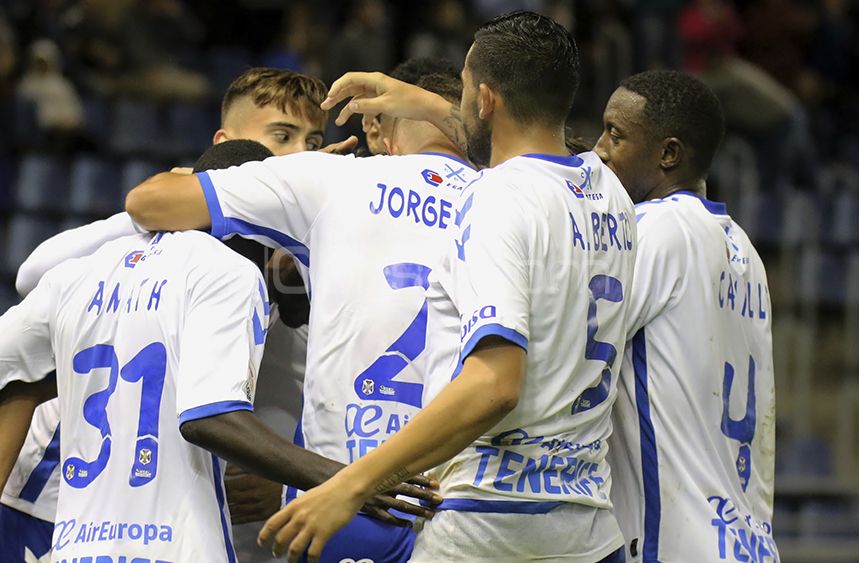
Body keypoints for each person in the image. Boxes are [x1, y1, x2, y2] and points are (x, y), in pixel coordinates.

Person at [261, 10, 639, 563]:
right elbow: (524, 138)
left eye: (463, 93)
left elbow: (494, 383)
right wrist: (419, 101)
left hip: (493, 520)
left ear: (484, 100)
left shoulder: (495, 199)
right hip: (588, 523)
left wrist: (349, 485)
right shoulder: (609, 192)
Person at [0, 140, 433, 563]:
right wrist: (351, 482)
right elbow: (207, 418)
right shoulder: (232, 274)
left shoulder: (78, 275)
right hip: (174, 547)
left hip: (74, 546)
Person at [123, 73, 476, 562]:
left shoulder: (329, 179)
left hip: (344, 493)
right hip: (469, 499)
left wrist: (270, 182)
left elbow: (146, 203)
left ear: (378, 127)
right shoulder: (508, 194)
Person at [592, 70, 778, 562]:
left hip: (675, 542)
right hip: (746, 542)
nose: (599, 150)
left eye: (615, 133)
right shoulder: (743, 248)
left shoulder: (655, 229)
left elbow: (573, 347)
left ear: (668, 154)